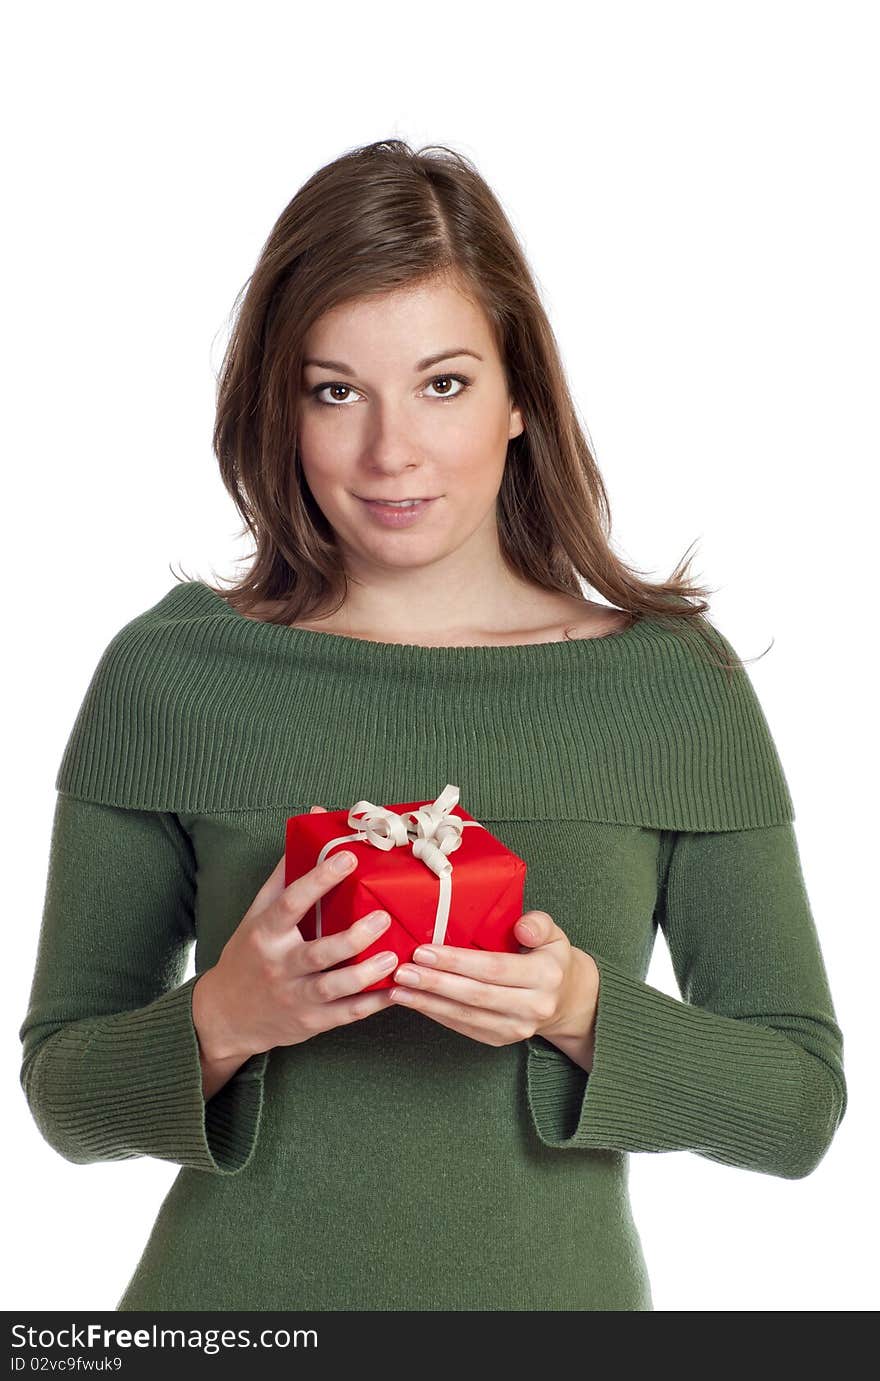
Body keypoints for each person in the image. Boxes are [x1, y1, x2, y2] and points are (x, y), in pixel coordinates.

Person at [19, 139, 847, 1313]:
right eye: (335, 389)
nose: (389, 451)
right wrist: (227, 1016)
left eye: (443, 383)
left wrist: (576, 1009)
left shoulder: (672, 687)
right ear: (282, 405)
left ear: (520, 398)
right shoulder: (170, 675)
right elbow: (63, 1098)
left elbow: (796, 1109)